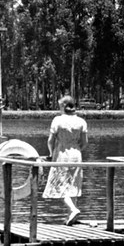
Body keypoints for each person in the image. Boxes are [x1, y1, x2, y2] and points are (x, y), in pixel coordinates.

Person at [43, 95, 88, 225]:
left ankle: (73, 210)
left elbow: (50, 141)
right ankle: (71, 217)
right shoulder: (81, 121)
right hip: (76, 155)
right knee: (74, 184)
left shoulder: (58, 120)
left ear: (63, 106)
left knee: (59, 185)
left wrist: (51, 153)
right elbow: (85, 143)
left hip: (61, 154)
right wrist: (77, 149)